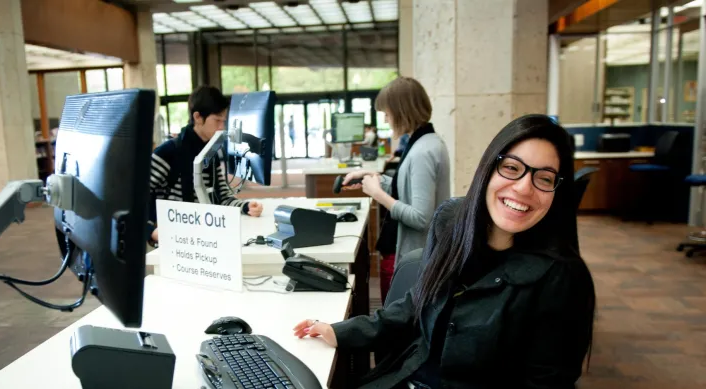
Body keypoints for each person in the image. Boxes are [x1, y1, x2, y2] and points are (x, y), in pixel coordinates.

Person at [293, 114, 596, 389]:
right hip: (408, 377)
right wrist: (341, 331)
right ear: (488, 168)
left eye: (543, 178)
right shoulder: (451, 222)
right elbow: (416, 303)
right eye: (512, 168)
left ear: (557, 191)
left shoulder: (562, 278)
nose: (523, 188)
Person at [339, 77, 450, 303]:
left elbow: (421, 217)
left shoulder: (422, 152)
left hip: (409, 254)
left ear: (401, 112)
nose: (386, 120)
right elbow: (405, 188)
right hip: (408, 250)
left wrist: (377, 194)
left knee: (395, 322)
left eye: (387, 114)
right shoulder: (424, 141)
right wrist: (370, 177)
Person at [147, 86, 263, 246]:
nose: (222, 127)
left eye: (224, 120)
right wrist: (150, 231)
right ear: (198, 117)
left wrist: (245, 207)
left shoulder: (211, 151)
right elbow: (136, 198)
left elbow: (221, 197)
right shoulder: (168, 153)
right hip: (175, 242)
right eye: (217, 120)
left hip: (205, 239)